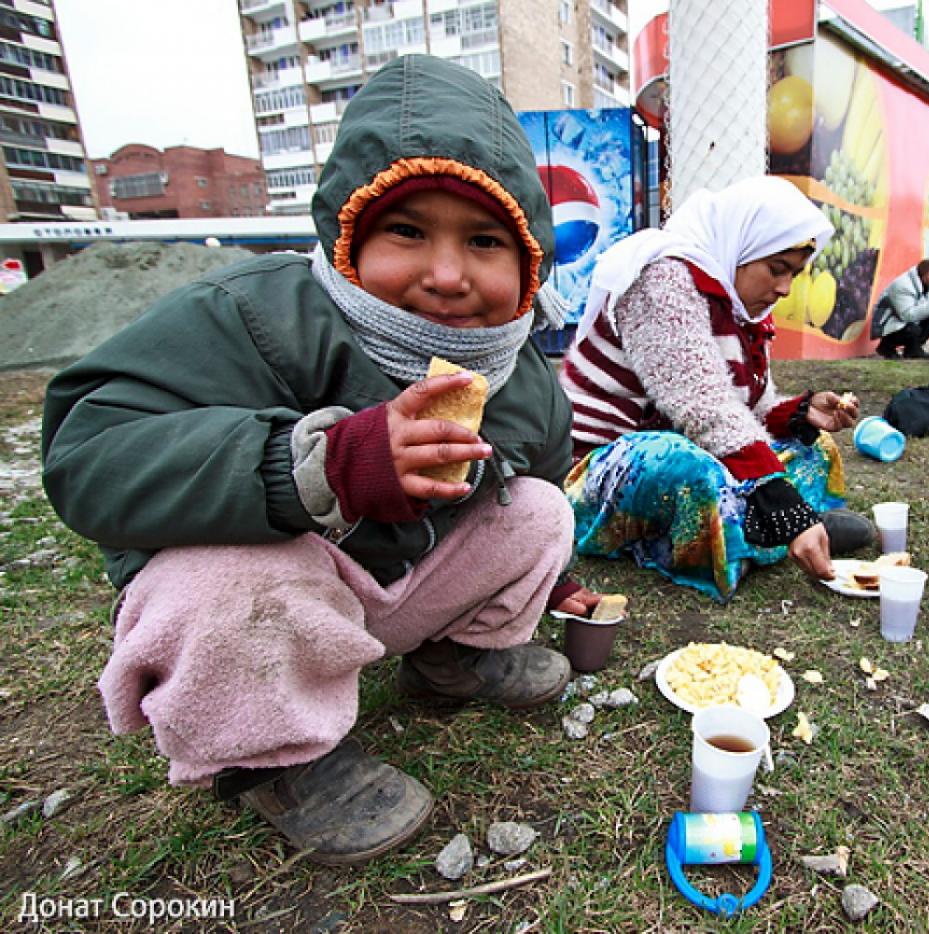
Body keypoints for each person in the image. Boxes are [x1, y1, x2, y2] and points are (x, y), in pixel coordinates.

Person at [41, 57, 586, 865]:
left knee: (542, 508)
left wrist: (555, 584)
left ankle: (452, 658)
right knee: (219, 585)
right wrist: (321, 467)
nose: (446, 275)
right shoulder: (261, 312)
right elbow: (90, 451)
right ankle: (277, 756)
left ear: (530, 263)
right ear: (347, 232)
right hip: (266, 601)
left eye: (483, 241)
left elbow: (534, 474)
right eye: (407, 232)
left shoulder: (520, 374)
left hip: (385, 588)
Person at [559, 176, 873, 601]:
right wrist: (783, 501)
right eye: (776, 269)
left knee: (815, 448)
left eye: (795, 275)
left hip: (690, 440)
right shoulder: (661, 279)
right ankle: (766, 534)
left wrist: (799, 413)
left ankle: (761, 528)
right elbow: (703, 409)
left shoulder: (741, 305)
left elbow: (750, 410)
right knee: (685, 466)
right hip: (600, 471)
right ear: (741, 246)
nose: (784, 288)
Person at [872, 258, 929, 359]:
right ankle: (886, 346)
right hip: (885, 325)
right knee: (913, 328)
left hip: (899, 321)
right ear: (927, 276)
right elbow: (908, 315)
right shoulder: (903, 286)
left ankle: (913, 349)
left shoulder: (919, 284)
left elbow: (921, 306)